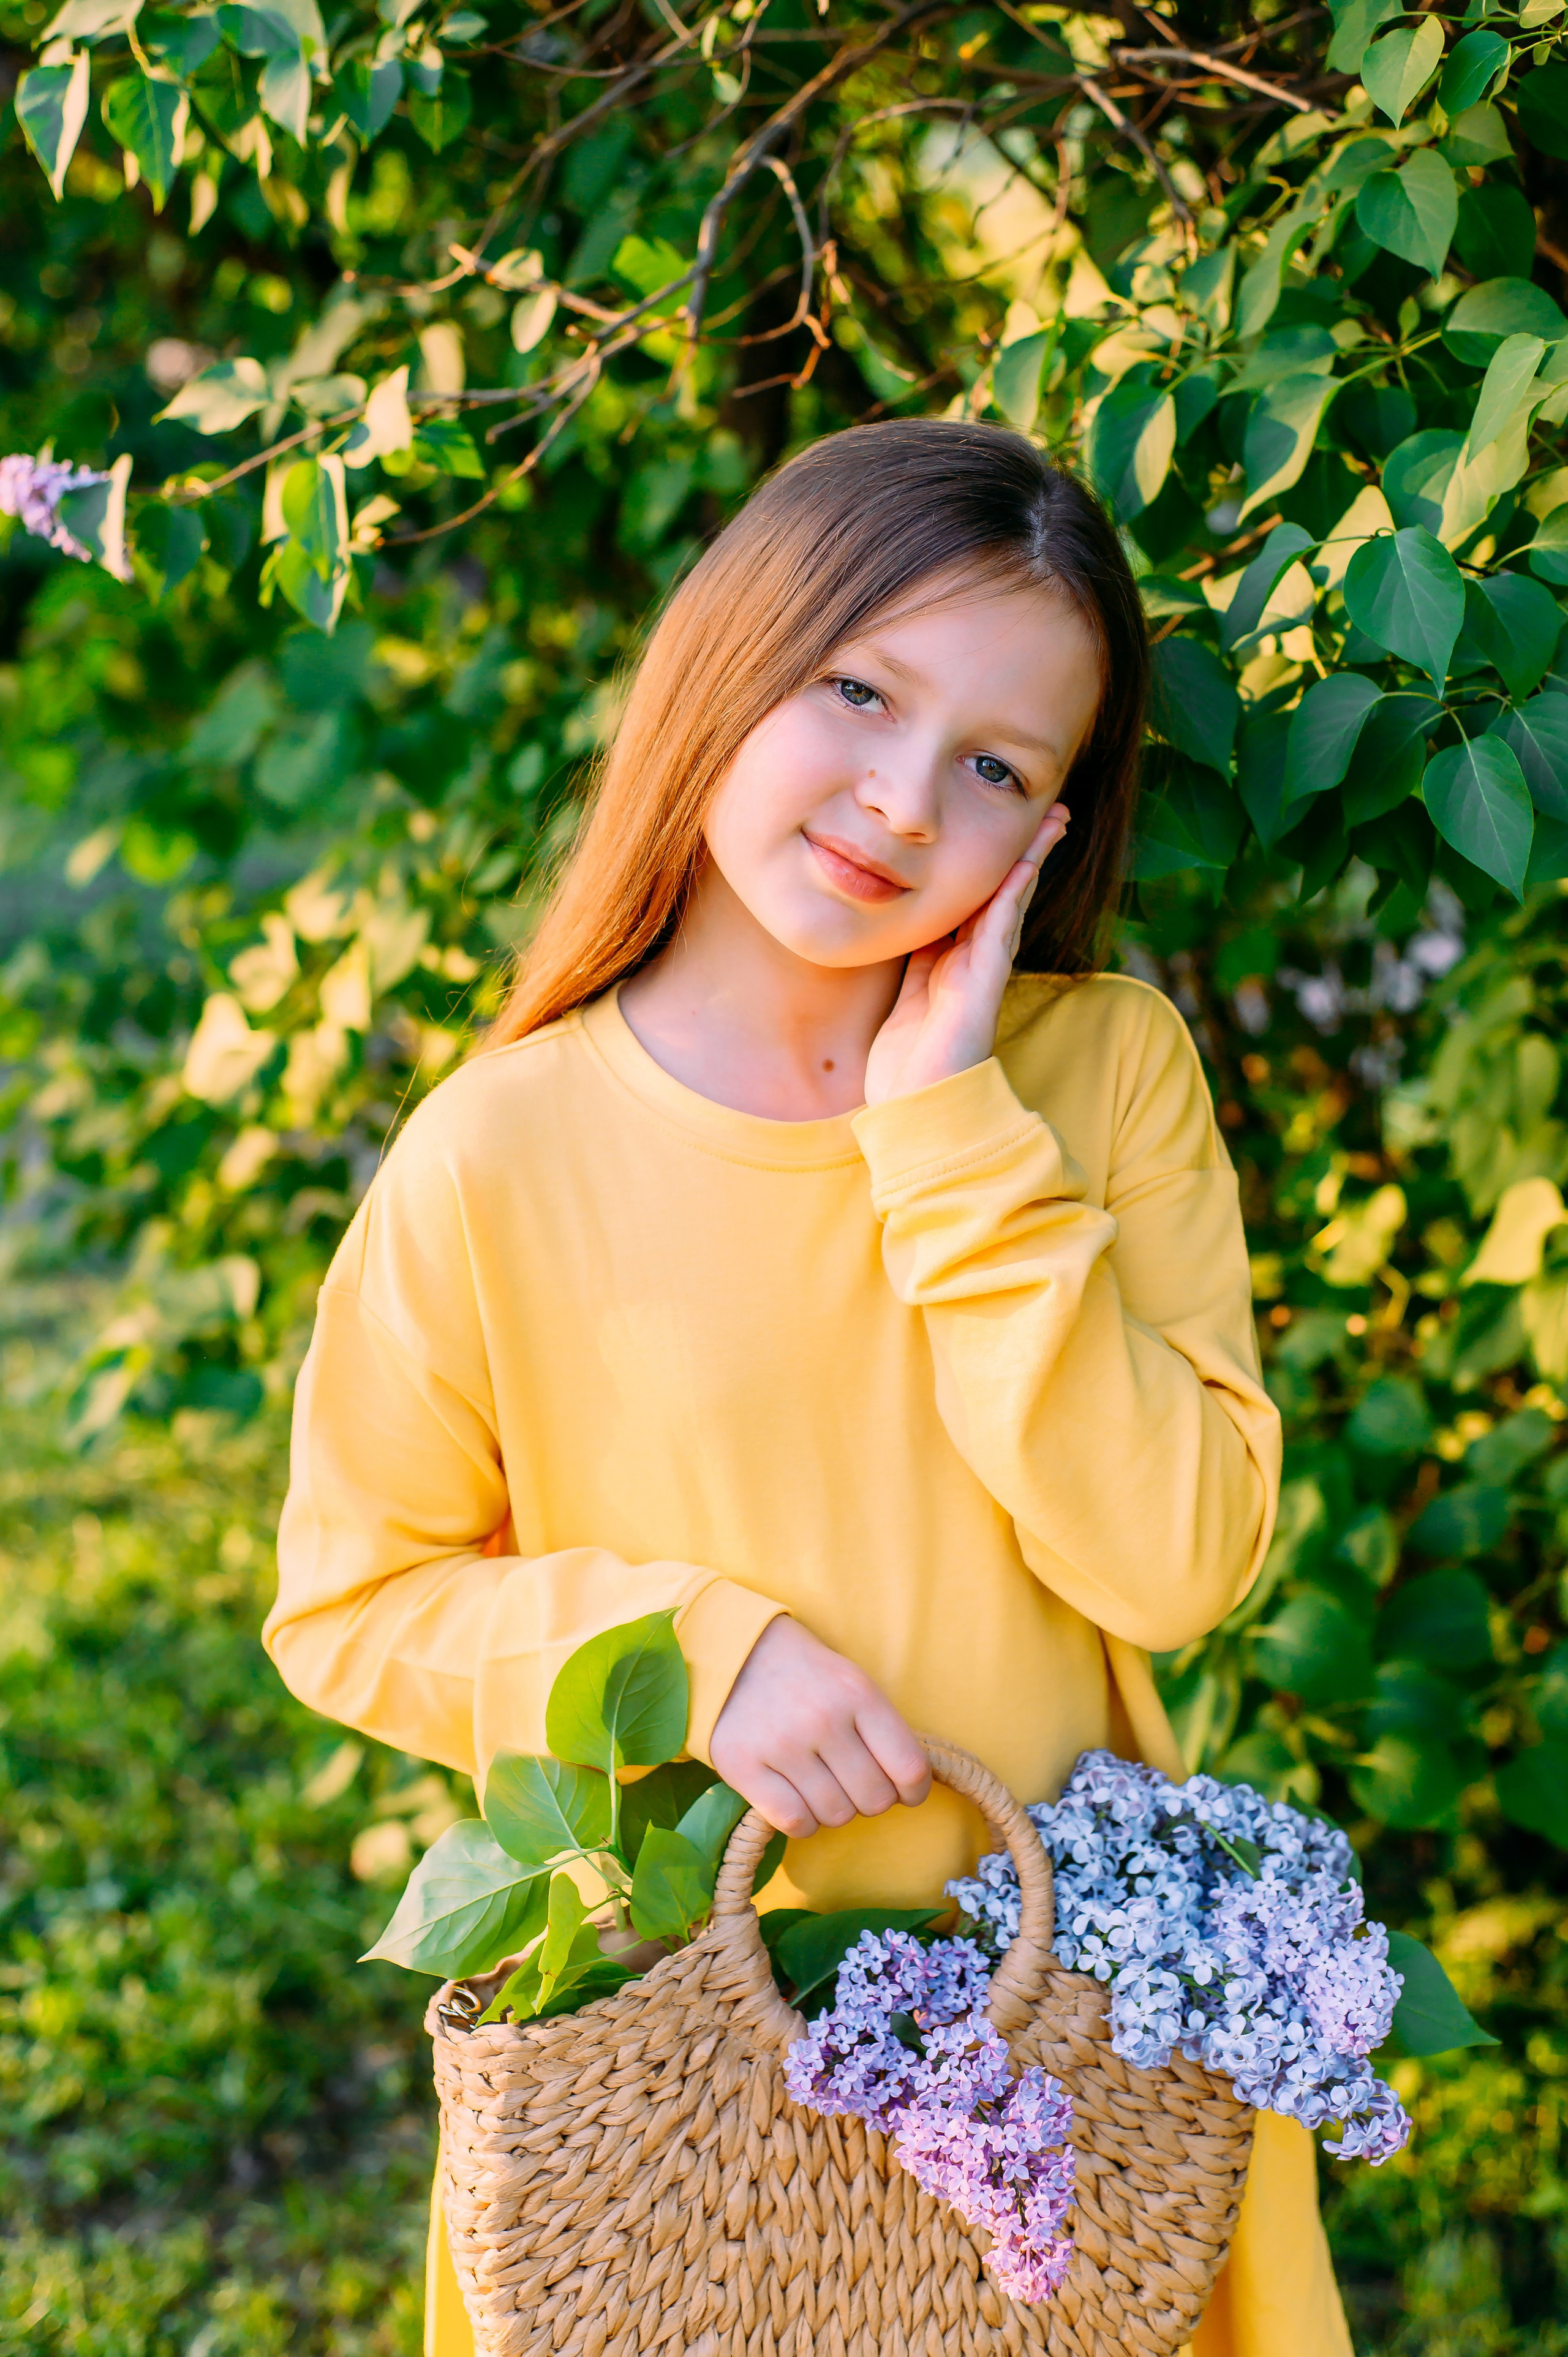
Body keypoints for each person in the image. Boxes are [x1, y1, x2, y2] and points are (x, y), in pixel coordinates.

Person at [265, 418, 1352, 2357]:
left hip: (1065, 2061)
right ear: (730, 650)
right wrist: (692, 1649)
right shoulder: (498, 1151)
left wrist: (951, 1135)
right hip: (677, 2080)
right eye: (858, 688)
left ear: (1050, 828)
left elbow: (1180, 1569)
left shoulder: (1097, 1077)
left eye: (996, 765)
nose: (899, 799)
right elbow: (352, 1607)